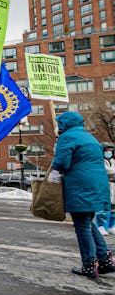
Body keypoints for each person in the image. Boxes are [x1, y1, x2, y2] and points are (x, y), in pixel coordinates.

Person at [48, 113, 115, 278]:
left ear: (64, 124)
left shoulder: (68, 137)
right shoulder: (89, 137)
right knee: (86, 223)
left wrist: (55, 171)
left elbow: (62, 162)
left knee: (82, 226)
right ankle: (105, 259)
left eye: (59, 123)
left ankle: (89, 264)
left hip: (80, 186)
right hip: (96, 184)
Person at [95, 142, 115, 236]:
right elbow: (107, 170)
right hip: (104, 186)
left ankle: (111, 226)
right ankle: (100, 226)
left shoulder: (113, 161)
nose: (109, 152)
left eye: (111, 151)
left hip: (113, 186)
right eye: (107, 150)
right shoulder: (99, 161)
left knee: (113, 208)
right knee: (102, 207)